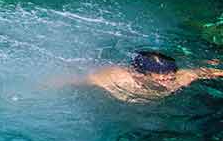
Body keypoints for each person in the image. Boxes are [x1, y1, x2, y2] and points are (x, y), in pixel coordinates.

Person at [80, 51, 223, 102]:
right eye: (160, 74)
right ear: (139, 75)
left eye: (171, 73)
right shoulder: (117, 78)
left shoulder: (182, 78)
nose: (168, 78)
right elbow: (77, 80)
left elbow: (206, 72)